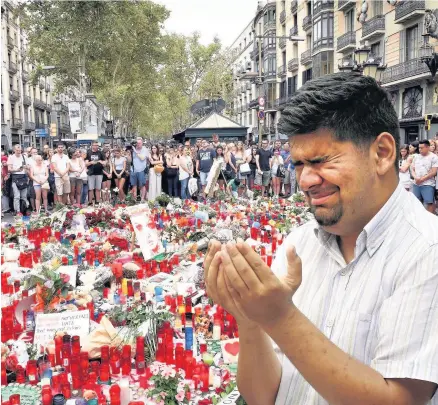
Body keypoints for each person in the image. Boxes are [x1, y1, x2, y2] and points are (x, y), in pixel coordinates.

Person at [204, 72, 438, 405]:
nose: (306, 180)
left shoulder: (427, 252)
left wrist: (278, 316)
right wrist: (250, 318)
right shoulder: (298, 245)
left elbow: (400, 399)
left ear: (382, 153)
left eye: (320, 161)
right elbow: (261, 396)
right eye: (299, 164)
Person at [411, 139, 438, 213]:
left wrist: (422, 179)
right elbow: (412, 169)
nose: (420, 149)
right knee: (416, 203)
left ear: (428, 147)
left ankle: (430, 221)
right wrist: (416, 177)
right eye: (419, 148)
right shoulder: (416, 157)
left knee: (429, 203)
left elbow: (434, 172)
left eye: (422, 148)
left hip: (428, 184)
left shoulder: (434, 157)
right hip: (416, 183)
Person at [7, 144, 30, 216]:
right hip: (15, 177)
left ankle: (25, 209)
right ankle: (17, 211)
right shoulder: (11, 157)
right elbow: (9, 169)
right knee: (17, 196)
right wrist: (17, 170)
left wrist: (26, 168)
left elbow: (28, 167)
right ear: (14, 150)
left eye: (20, 150)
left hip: (24, 177)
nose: (19, 151)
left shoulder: (24, 157)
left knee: (24, 196)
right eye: (17, 150)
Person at [130, 137, 149, 202]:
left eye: (139, 143)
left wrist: (135, 151)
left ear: (142, 143)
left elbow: (142, 158)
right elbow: (130, 160)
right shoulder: (133, 149)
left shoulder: (145, 149)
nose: (138, 144)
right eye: (137, 143)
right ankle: (134, 200)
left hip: (141, 170)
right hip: (133, 170)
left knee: (142, 185)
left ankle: (142, 199)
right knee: (134, 185)